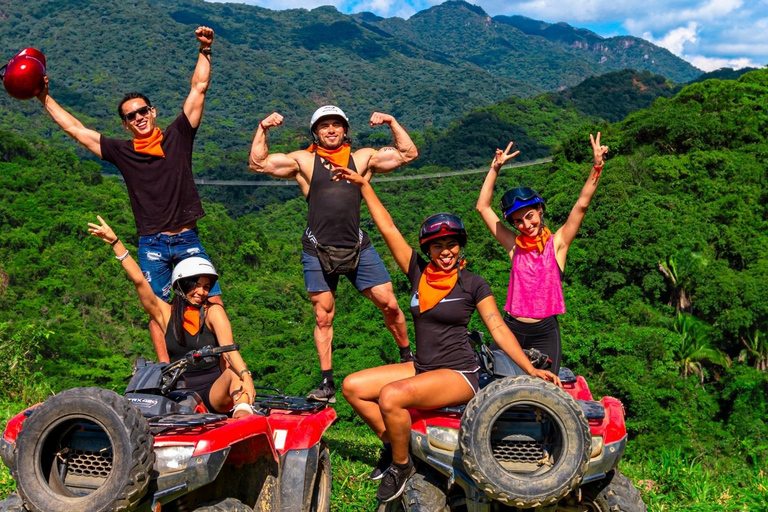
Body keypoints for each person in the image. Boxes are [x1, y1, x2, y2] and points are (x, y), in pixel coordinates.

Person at [334, 167, 561, 503]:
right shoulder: (418, 272)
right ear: (429, 248)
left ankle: (401, 466)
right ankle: (395, 445)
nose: (445, 252)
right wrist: (365, 187)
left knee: (391, 397)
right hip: (423, 366)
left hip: (458, 373)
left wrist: (529, 369)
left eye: (451, 244)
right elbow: (388, 229)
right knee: (352, 387)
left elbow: (497, 327)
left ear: (460, 246)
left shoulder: (473, 283)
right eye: (438, 245)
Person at [36, 26, 221, 361]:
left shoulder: (179, 134)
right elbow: (75, 129)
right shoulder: (121, 151)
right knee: (157, 310)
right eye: (130, 116)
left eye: (141, 111)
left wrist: (205, 50)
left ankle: (224, 368)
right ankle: (168, 373)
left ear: (152, 112)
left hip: (186, 238)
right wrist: (43, 97)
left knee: (213, 303)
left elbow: (199, 88)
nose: (137, 117)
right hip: (151, 243)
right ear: (124, 124)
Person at [248, 105, 418, 403]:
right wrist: (263, 128)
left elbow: (407, 154)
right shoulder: (304, 160)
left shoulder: (362, 158)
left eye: (336, 125)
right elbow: (258, 164)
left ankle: (409, 357)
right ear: (315, 132)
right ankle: (327, 383)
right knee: (323, 316)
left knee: (390, 304)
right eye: (324, 126)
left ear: (344, 130)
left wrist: (392, 121)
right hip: (318, 249)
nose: (330, 130)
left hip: (356, 245)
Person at [88, 216, 256, 418]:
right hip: (181, 395)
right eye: (195, 284)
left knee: (235, 375)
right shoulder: (165, 313)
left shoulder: (213, 311)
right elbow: (140, 281)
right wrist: (116, 243)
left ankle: (243, 418)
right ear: (182, 285)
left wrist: (245, 375)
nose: (201, 292)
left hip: (214, 390)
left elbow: (229, 350)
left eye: (206, 287)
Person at [475, 134, 609, 374]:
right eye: (518, 221)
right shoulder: (514, 245)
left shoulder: (557, 244)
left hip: (545, 332)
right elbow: (483, 207)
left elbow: (581, 204)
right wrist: (495, 168)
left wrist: (597, 166)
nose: (526, 225)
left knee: (545, 394)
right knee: (492, 384)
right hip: (511, 329)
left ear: (540, 211)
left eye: (530, 216)